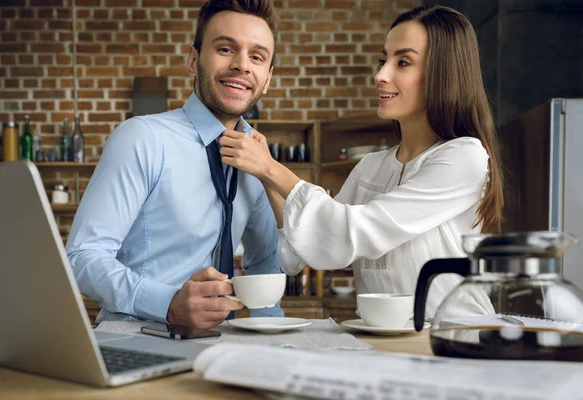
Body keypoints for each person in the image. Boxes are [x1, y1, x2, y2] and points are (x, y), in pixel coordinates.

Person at [219, 5, 504, 319]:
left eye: (403, 62)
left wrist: (270, 168)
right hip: (383, 344)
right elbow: (304, 250)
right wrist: (266, 176)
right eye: (384, 60)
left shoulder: (464, 156)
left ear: (444, 73)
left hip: (454, 343)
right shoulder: (370, 167)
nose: (380, 75)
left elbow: (351, 231)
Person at [66, 0, 283, 329]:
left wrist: (273, 338)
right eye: (225, 49)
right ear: (194, 61)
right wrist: (165, 303)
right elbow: (82, 257)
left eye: (257, 56)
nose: (242, 65)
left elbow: (265, 264)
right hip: (136, 340)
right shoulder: (142, 138)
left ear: (267, 78)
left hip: (223, 348)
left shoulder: (259, 157)